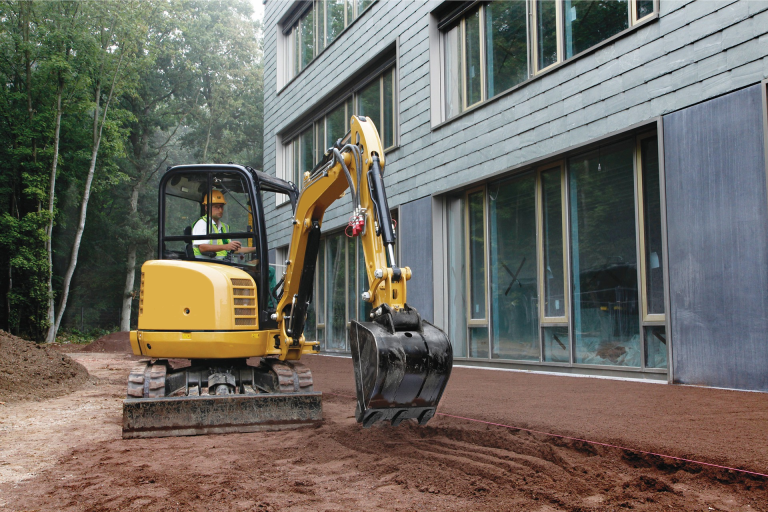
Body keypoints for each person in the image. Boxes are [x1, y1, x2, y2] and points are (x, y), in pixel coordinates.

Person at [192, 190, 256, 259]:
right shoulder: (202, 223)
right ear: (206, 207)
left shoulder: (224, 227)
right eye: (216, 207)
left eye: (221, 206)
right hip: (205, 265)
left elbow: (231, 249)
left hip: (221, 264)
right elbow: (202, 248)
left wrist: (255, 249)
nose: (220, 210)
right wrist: (226, 246)